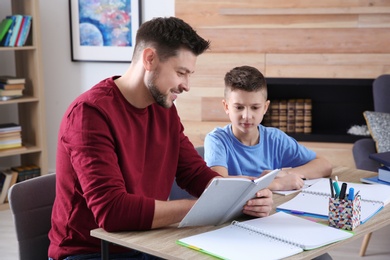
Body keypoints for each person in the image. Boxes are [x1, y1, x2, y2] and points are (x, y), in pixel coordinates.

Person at [48, 18, 273, 260]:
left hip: (146, 241)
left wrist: (245, 196)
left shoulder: (163, 108)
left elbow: (195, 174)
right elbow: (112, 212)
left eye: (189, 75)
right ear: (149, 59)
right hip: (90, 252)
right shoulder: (89, 114)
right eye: (180, 73)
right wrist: (204, 208)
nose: (186, 86)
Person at [204, 66, 332, 191]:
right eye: (239, 107)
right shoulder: (216, 140)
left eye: (255, 107)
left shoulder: (275, 138)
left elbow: (324, 165)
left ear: (265, 107)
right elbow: (219, 186)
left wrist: (286, 173)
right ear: (226, 107)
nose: (247, 116)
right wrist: (276, 184)